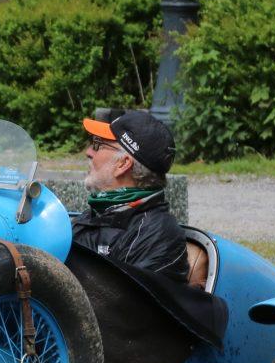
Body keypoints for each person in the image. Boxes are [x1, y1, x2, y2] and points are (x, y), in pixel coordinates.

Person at [71, 109, 189, 284]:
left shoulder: (157, 237)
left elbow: (118, 299)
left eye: (98, 145)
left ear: (123, 164)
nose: (89, 152)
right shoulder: (100, 213)